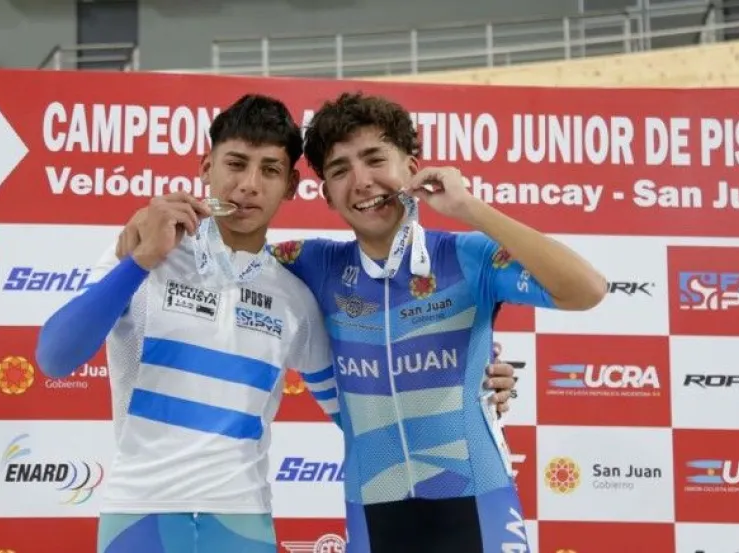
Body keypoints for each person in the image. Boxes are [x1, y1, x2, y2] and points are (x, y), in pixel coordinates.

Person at [35, 94, 521, 553]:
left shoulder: (292, 294)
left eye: (269, 170)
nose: (248, 184)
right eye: (235, 163)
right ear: (205, 168)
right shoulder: (143, 254)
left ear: (290, 185)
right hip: (139, 515)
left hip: (244, 523)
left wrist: (470, 378)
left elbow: (364, 407)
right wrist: (141, 261)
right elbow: (54, 358)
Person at [268, 92, 608, 553]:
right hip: (373, 510)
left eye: (374, 160)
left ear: (411, 168)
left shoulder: (467, 257)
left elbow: (587, 289)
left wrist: (471, 209)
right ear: (327, 194)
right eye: (340, 170)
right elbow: (225, 271)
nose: (362, 182)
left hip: (476, 502)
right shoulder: (313, 264)